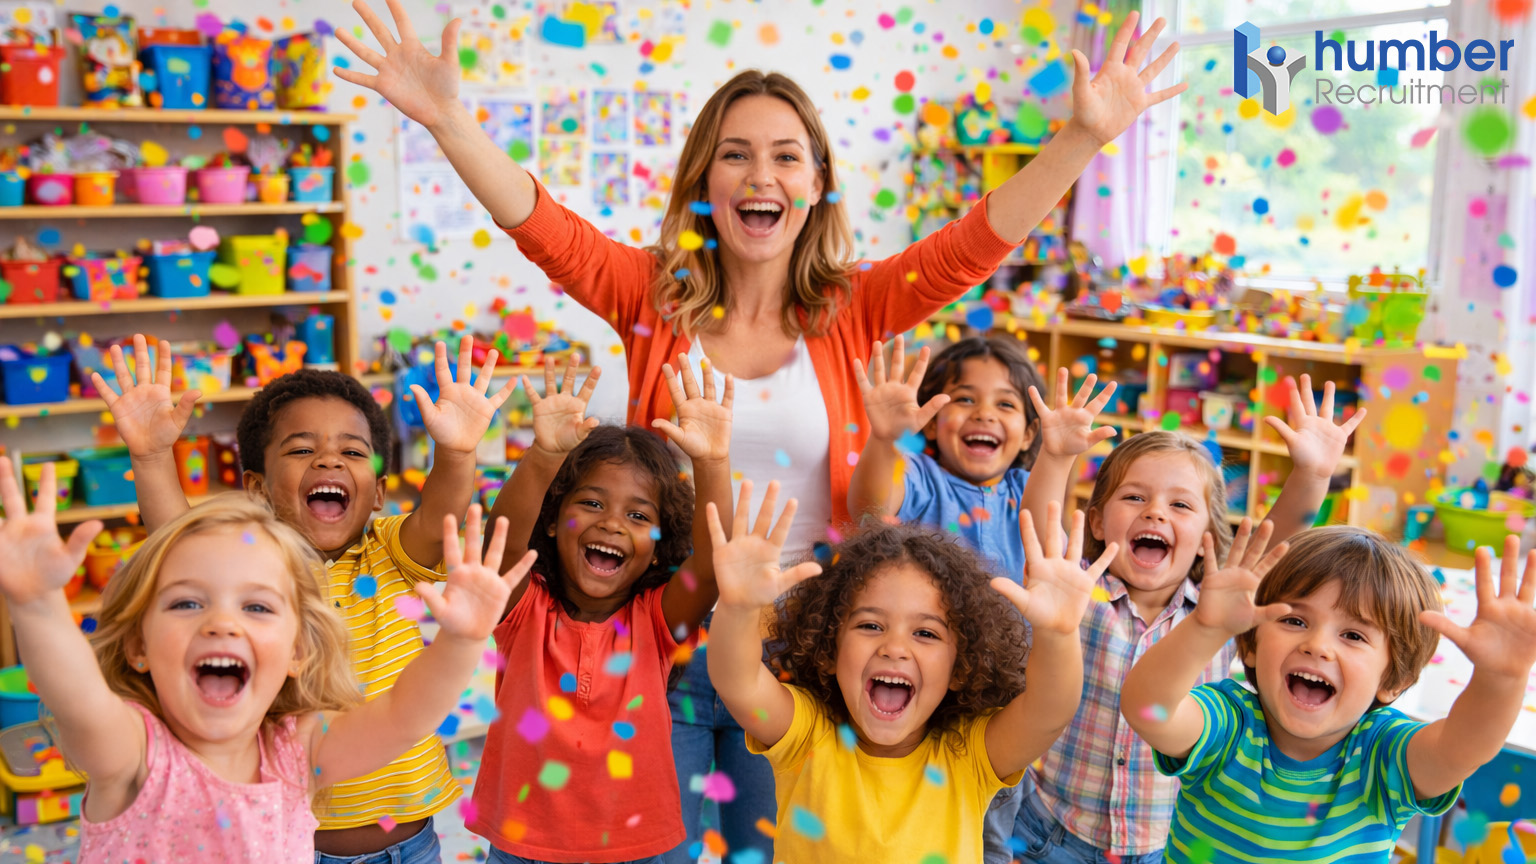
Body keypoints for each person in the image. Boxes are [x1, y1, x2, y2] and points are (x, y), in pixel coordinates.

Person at [334, 1, 1183, 853]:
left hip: (803, 656)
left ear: (816, 184)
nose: (759, 176)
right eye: (734, 155)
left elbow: (972, 244)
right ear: (704, 182)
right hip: (659, 639)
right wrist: (447, 118)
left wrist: (1082, 137)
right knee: (648, 846)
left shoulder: (853, 306)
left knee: (768, 850)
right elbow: (543, 226)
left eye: (785, 156)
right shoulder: (649, 296)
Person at [94, 334, 514, 862]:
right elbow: (182, 545)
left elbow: (443, 517)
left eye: (352, 451)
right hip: (297, 845)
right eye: (301, 449)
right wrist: (153, 456)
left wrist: (457, 450)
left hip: (415, 842)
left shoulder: (389, 551)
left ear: (379, 491)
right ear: (257, 486)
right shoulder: (257, 566)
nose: (328, 461)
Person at [0, 458, 531, 862]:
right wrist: (35, 605)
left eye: (256, 606)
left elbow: (401, 717)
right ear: (138, 646)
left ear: (298, 651)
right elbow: (79, 701)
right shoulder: (133, 755)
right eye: (187, 603)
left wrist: (460, 641)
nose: (221, 624)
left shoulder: (292, 751)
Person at [1009, 373, 1363, 863]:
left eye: (1179, 504)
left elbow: (1275, 545)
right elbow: (1041, 529)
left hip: (1167, 844)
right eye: (1135, 497)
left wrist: (1313, 475)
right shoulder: (1074, 589)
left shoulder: (1220, 611)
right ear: (1096, 521)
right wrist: (1056, 456)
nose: (1155, 513)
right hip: (1049, 832)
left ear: (1205, 538)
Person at [706, 479, 1116, 863]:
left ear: (961, 668)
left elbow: (1049, 711)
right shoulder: (806, 735)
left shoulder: (968, 753)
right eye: (870, 626)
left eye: (925, 633)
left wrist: (1059, 634)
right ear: (828, 650)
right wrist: (737, 608)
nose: (895, 648)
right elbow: (738, 680)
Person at [1122, 528, 1536, 862]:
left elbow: (1462, 748)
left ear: (1391, 678)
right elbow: (1147, 709)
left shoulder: (1383, 756)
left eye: (1353, 635)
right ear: (1249, 644)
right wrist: (1206, 629)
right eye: (1295, 620)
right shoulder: (1228, 723)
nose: (1318, 645)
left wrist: (1500, 678)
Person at [471, 360, 734, 863]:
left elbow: (713, 563)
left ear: (658, 548)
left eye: (638, 516)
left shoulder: (656, 622)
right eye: (591, 504)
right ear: (551, 520)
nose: (613, 524)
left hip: (640, 850)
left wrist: (713, 462)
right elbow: (499, 547)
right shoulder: (524, 608)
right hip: (523, 847)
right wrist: (543, 456)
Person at [850, 334, 1050, 578]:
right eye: (965, 399)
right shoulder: (920, 478)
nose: (984, 413)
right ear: (932, 423)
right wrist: (885, 440)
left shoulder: (1027, 490)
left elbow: (1049, 540)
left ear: (1029, 434)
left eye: (1006, 404)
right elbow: (869, 511)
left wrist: (1058, 455)